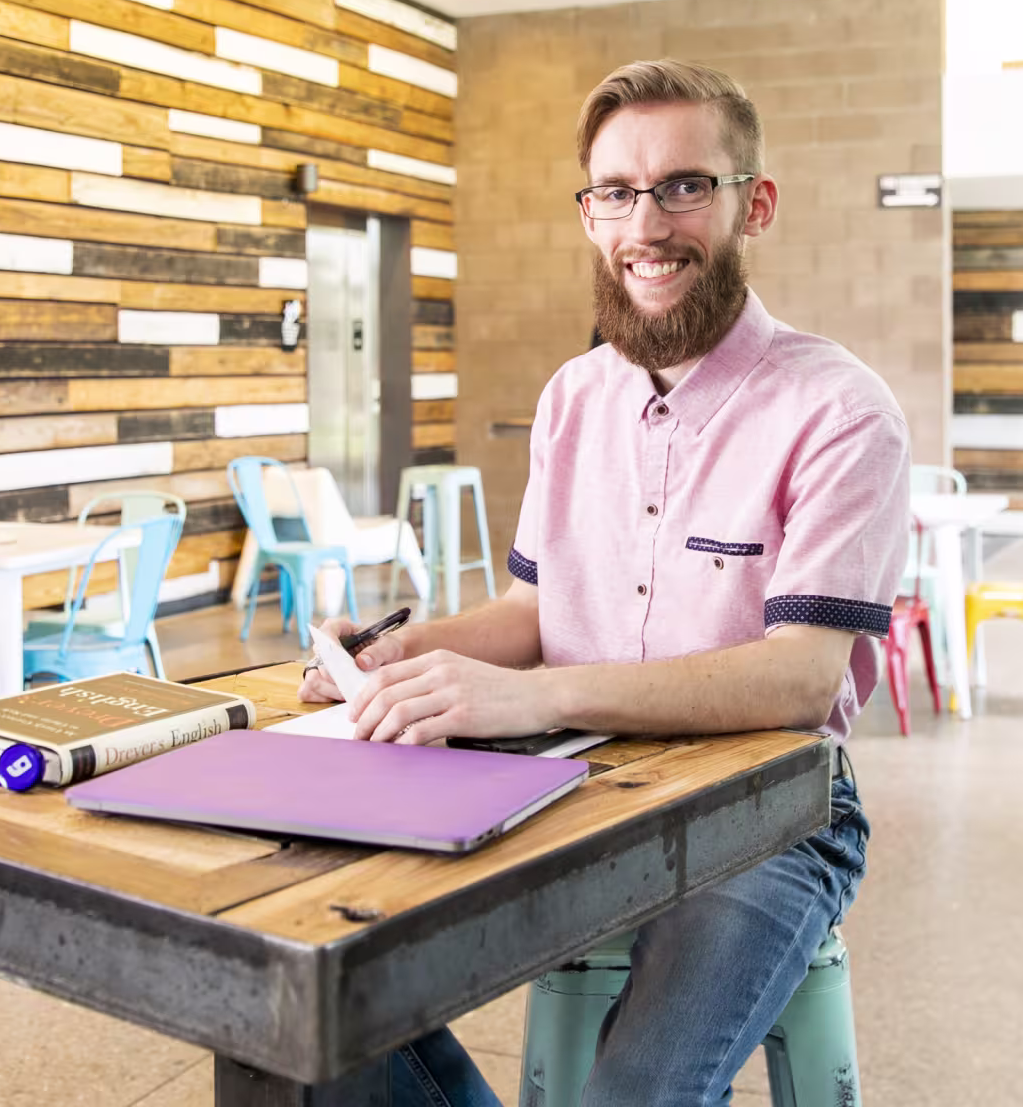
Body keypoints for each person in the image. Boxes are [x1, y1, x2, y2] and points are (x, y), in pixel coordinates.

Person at [304, 59, 908, 1106]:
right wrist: (410, 655)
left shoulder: (840, 409)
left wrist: (537, 695)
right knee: (315, 1006)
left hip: (767, 812)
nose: (647, 223)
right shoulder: (572, 399)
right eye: (617, 192)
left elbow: (800, 680)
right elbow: (535, 612)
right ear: (590, 214)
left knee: (632, 1093)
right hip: (577, 780)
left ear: (752, 204)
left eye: (684, 185)